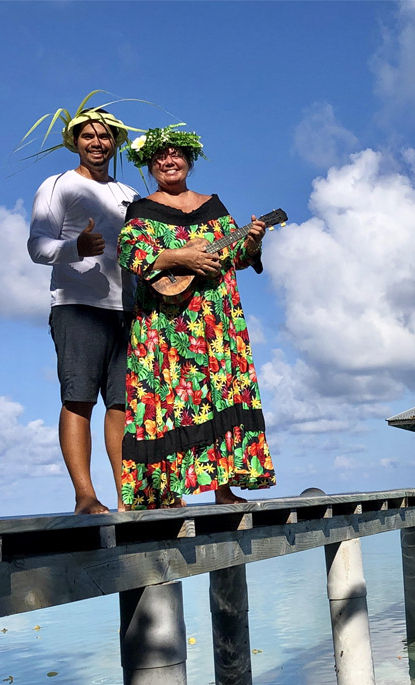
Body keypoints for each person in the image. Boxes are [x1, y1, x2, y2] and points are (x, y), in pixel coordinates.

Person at [118, 125, 275, 509]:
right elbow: (129, 253)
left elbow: (236, 257)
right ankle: (165, 494)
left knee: (221, 397)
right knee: (169, 401)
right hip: (165, 326)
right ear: (150, 165)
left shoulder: (214, 207)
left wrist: (252, 241)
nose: (168, 161)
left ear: (189, 160)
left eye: (175, 155)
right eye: (160, 157)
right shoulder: (141, 210)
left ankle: (223, 490)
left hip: (216, 324)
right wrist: (177, 258)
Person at [27, 107, 139, 515]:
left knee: (123, 405)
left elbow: (143, 254)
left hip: (125, 310)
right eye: (89, 135)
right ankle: (85, 496)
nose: (97, 142)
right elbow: (37, 246)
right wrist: (75, 248)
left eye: (105, 136)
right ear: (74, 140)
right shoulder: (57, 185)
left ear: (115, 143)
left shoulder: (129, 195)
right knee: (78, 399)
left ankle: (130, 496)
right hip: (77, 306)